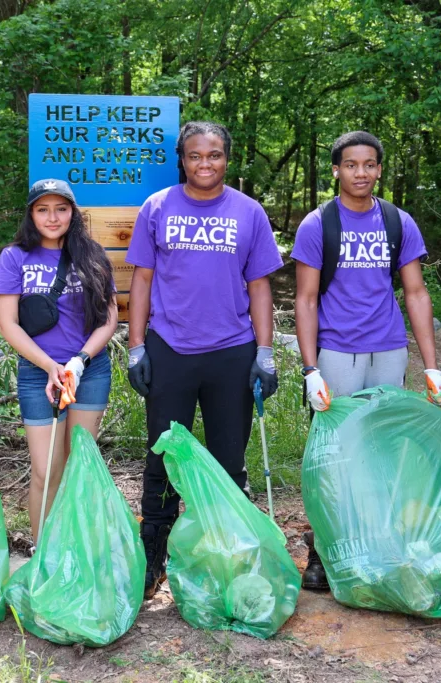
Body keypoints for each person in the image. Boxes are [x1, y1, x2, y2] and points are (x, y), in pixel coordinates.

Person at [125, 120, 284, 599]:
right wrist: (136, 346)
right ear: (183, 159)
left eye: (214, 155)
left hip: (232, 352)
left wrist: (265, 352)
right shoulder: (157, 208)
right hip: (170, 348)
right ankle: (154, 554)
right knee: (164, 455)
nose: (205, 163)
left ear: (226, 159)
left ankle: (225, 554)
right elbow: (142, 281)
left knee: (229, 460)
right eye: (195, 155)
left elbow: (260, 286)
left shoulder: (248, 212)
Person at [292, 130, 441, 591]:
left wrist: (431, 366)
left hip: (388, 350)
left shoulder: (398, 222)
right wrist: (310, 368)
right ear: (337, 170)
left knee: (382, 449)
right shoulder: (318, 224)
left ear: (380, 169)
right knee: (333, 453)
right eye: (351, 165)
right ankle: (322, 551)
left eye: (369, 165)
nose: (361, 173)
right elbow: (305, 299)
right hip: (338, 352)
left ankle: (376, 543)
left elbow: (416, 292)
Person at [0, 178, 117, 547]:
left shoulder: (91, 253)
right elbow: (7, 323)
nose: (52, 217)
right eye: (43, 209)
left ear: (72, 213)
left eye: (61, 209)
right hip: (37, 373)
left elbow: (109, 318)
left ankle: (76, 548)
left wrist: (80, 360)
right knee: (47, 470)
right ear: (31, 214)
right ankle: (44, 552)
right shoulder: (14, 256)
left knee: (79, 464)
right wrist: (50, 366)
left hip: (88, 372)